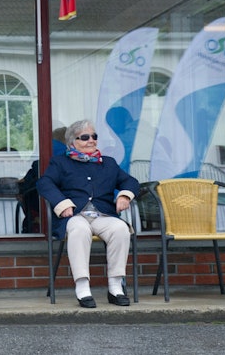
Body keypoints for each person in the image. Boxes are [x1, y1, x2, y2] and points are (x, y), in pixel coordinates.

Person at [37, 119, 140, 308]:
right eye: (84, 137)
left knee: (120, 229)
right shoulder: (60, 163)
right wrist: (61, 203)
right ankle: (82, 287)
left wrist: (125, 195)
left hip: (102, 215)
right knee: (79, 230)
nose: (91, 140)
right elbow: (44, 183)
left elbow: (131, 181)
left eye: (94, 136)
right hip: (75, 215)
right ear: (72, 142)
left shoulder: (108, 163)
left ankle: (115, 287)